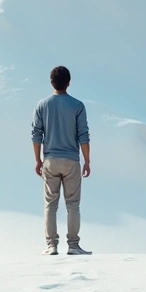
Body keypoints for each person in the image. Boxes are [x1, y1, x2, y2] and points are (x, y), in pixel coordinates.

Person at [30, 65, 91, 255]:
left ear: (51, 82)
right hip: (71, 160)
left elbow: (36, 134)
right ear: (69, 83)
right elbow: (83, 136)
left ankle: (51, 245)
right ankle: (73, 245)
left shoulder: (42, 105)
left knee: (50, 204)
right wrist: (87, 161)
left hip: (50, 160)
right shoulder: (77, 106)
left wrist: (38, 160)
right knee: (73, 204)